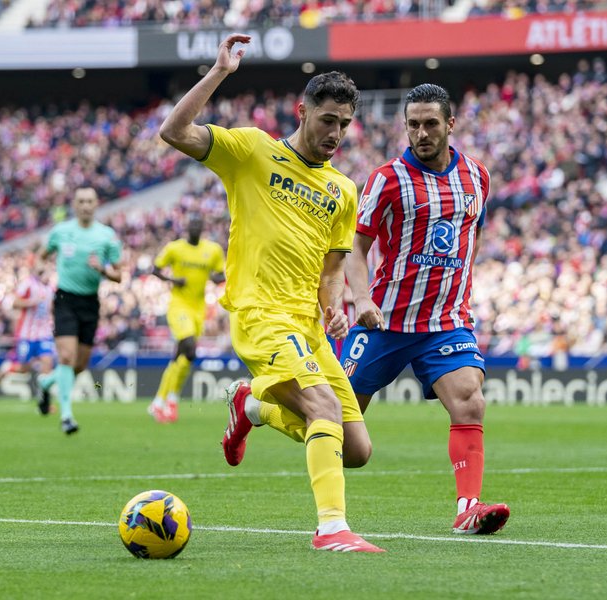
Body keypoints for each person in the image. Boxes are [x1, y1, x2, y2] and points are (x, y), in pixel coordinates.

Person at [159, 33, 383, 553]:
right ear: (302, 111)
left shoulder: (342, 190)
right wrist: (219, 73)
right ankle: (332, 529)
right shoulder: (253, 150)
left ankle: (251, 405)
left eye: (345, 125)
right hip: (261, 314)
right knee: (322, 408)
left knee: (357, 448)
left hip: (308, 326)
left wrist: (334, 309)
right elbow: (174, 131)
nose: (336, 133)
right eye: (328, 120)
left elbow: (331, 269)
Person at [341, 83, 510, 535]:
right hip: (385, 319)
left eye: (431, 124)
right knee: (345, 442)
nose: (421, 133)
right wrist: (361, 298)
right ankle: (257, 408)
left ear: (450, 124)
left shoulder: (477, 177)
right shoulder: (386, 179)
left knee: (470, 402)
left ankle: (467, 509)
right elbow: (357, 249)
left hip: (445, 323)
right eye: (413, 125)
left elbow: (469, 240)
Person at [39, 186, 122, 435]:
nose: (85, 205)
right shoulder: (61, 231)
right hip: (64, 299)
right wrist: (42, 271)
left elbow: (119, 274)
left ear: (96, 204)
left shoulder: (107, 236)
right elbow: (42, 256)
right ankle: (66, 415)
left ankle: (45, 382)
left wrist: (103, 270)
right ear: (74, 205)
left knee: (79, 364)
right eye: (81, 201)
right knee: (66, 357)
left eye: (89, 201)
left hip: (90, 302)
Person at [148, 214, 225, 423]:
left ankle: (164, 400)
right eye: (192, 224)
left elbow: (220, 274)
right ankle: (163, 400)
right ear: (187, 227)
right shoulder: (175, 248)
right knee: (189, 346)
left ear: (202, 228)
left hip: (199, 309)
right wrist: (173, 279)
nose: (195, 227)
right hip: (178, 305)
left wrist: (215, 277)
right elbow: (155, 269)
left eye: (199, 224)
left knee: (185, 357)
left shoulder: (213, 250)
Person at [0, 257, 56, 415]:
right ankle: (7, 369)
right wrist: (32, 302)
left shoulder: (50, 290)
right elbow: (15, 302)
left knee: (47, 367)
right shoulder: (28, 284)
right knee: (24, 369)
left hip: (44, 334)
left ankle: (44, 403)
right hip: (27, 335)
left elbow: (50, 310)